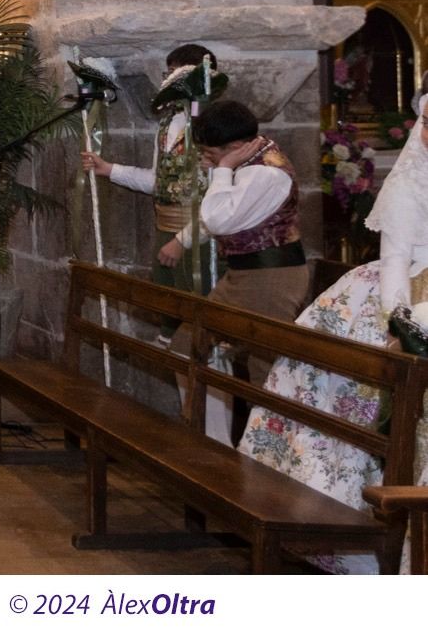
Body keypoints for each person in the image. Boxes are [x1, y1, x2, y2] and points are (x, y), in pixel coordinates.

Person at [238, 88, 428, 573]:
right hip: (399, 297)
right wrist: (401, 323)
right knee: (329, 392)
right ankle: (339, 531)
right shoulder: (411, 183)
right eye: (427, 123)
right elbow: (394, 262)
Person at [160, 98, 315, 446]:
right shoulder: (248, 160)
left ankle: (277, 453)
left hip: (270, 278)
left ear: (235, 147)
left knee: (268, 370)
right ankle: (214, 440)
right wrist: (223, 167)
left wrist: (223, 168)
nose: (206, 159)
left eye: (210, 153)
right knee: (188, 345)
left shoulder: (265, 172)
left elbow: (217, 218)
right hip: (244, 276)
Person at [81, 45, 223, 323]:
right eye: (167, 74)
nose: (168, 83)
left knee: (198, 322)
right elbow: (161, 180)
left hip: (201, 238)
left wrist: (184, 240)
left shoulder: (216, 124)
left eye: (175, 75)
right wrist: (109, 169)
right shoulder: (168, 123)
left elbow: (221, 200)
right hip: (165, 229)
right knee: (169, 318)